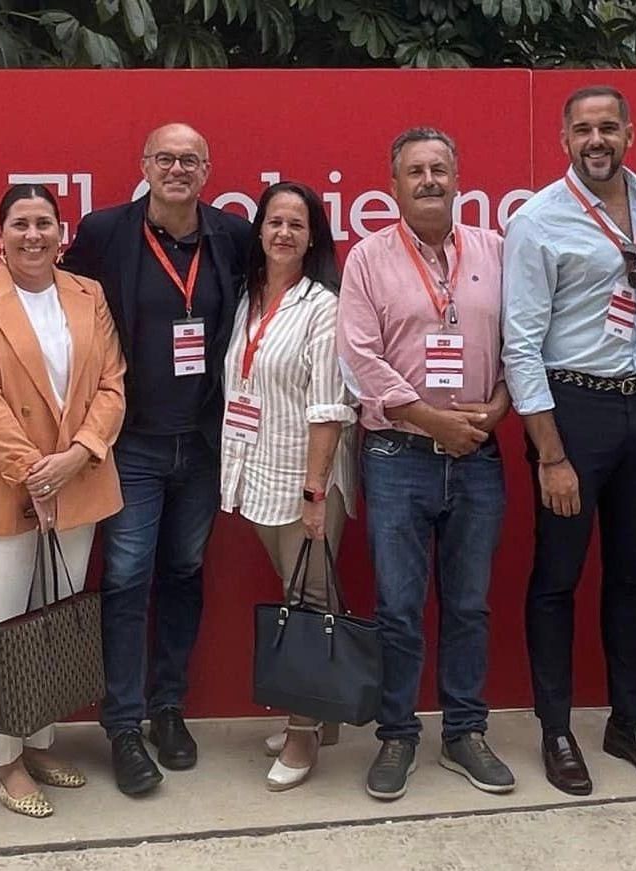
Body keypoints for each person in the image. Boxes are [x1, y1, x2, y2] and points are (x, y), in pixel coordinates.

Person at [501, 85, 636, 796]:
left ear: (630, 132)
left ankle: (628, 721)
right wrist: (551, 454)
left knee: (633, 576)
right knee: (557, 578)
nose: (597, 139)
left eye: (609, 126)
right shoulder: (537, 220)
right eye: (584, 129)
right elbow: (520, 345)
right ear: (565, 139)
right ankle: (555, 728)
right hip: (572, 412)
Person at [60, 123, 253, 795]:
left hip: (202, 442)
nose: (177, 168)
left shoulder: (231, 234)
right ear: (144, 165)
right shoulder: (106, 231)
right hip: (131, 441)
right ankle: (123, 722)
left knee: (184, 570)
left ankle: (168, 706)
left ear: (207, 168)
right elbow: (59, 303)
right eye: (165, 158)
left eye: (190, 159)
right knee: (126, 576)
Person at [338, 127, 513, 802]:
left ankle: (465, 731)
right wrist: (430, 418)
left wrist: (497, 406)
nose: (430, 179)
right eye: (416, 170)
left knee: (469, 604)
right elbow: (361, 356)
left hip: (479, 455)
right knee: (400, 607)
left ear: (458, 175)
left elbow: (522, 339)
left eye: (440, 167)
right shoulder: (366, 260)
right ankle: (397, 733)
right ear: (394, 184)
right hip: (397, 455)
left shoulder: (496, 250)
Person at [0, 184, 127, 817]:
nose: (33, 235)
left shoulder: (88, 295)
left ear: (61, 231)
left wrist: (78, 455)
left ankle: (40, 738)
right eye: (20, 224)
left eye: (44, 223)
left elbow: (112, 383)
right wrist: (34, 472)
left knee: (51, 623)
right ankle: (3, 760)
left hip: (75, 485)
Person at [218, 181, 356, 792]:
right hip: (256, 470)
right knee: (297, 591)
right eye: (274, 221)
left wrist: (315, 493)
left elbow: (329, 408)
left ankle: (303, 736)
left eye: (296, 225)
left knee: (309, 606)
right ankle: (319, 716)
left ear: (312, 238)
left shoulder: (323, 306)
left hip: (305, 479)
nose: (282, 233)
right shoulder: (247, 299)